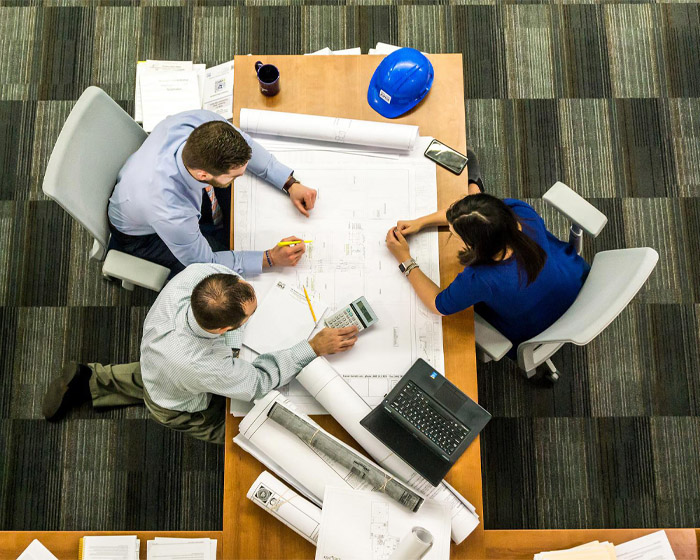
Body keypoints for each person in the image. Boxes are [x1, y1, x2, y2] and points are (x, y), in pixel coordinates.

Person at [42, 263, 359, 444]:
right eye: (248, 317)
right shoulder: (204, 365)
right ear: (223, 330)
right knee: (239, 431)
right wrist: (312, 347)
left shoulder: (198, 276)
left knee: (154, 375)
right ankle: (94, 383)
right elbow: (258, 383)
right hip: (177, 402)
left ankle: (90, 379)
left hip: (158, 359)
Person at [385, 150, 590, 359]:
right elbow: (470, 214)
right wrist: (421, 222)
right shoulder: (519, 211)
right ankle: (475, 185)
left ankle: (474, 184)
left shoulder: (482, 279)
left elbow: (439, 305)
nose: (452, 234)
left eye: (456, 235)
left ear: (477, 246)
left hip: (537, 327)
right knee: (469, 159)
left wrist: (405, 259)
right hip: (573, 280)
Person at [108, 109, 319, 275]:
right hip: (143, 236)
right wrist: (270, 258)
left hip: (146, 185)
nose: (242, 177)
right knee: (219, 271)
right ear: (202, 175)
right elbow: (205, 262)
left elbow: (245, 143)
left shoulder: (201, 123)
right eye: (234, 176)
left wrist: (289, 183)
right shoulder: (171, 211)